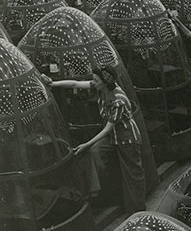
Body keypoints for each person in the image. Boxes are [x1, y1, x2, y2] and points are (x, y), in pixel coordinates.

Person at [42, 66, 146, 213]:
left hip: (127, 139)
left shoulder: (118, 100)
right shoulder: (101, 87)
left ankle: (138, 210)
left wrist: (86, 144)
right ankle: (96, 193)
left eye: (96, 80)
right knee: (95, 151)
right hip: (113, 137)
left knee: (133, 174)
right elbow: (75, 84)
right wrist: (53, 84)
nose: (93, 82)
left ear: (104, 82)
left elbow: (107, 129)